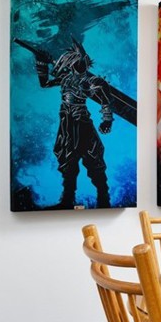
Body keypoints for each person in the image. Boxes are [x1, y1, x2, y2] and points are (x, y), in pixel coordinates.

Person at [34, 40, 113, 208]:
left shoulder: (94, 82)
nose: (75, 66)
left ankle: (103, 199)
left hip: (81, 122)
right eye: (73, 64)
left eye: (78, 63)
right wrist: (41, 62)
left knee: (93, 158)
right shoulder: (65, 78)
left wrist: (106, 120)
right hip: (67, 122)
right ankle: (67, 200)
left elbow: (105, 101)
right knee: (67, 159)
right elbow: (45, 83)